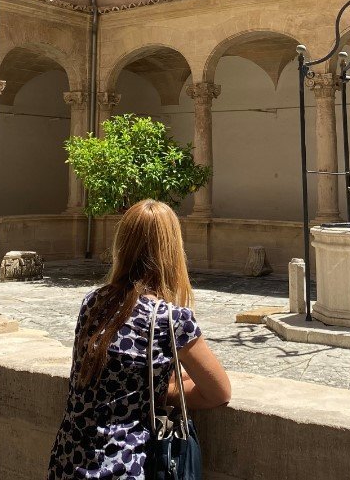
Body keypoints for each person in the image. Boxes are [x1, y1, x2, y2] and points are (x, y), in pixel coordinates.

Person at [47, 199, 232, 479]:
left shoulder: (93, 303)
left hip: (69, 462)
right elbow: (219, 392)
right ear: (173, 251)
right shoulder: (170, 319)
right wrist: (164, 391)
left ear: (121, 245)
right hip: (123, 467)